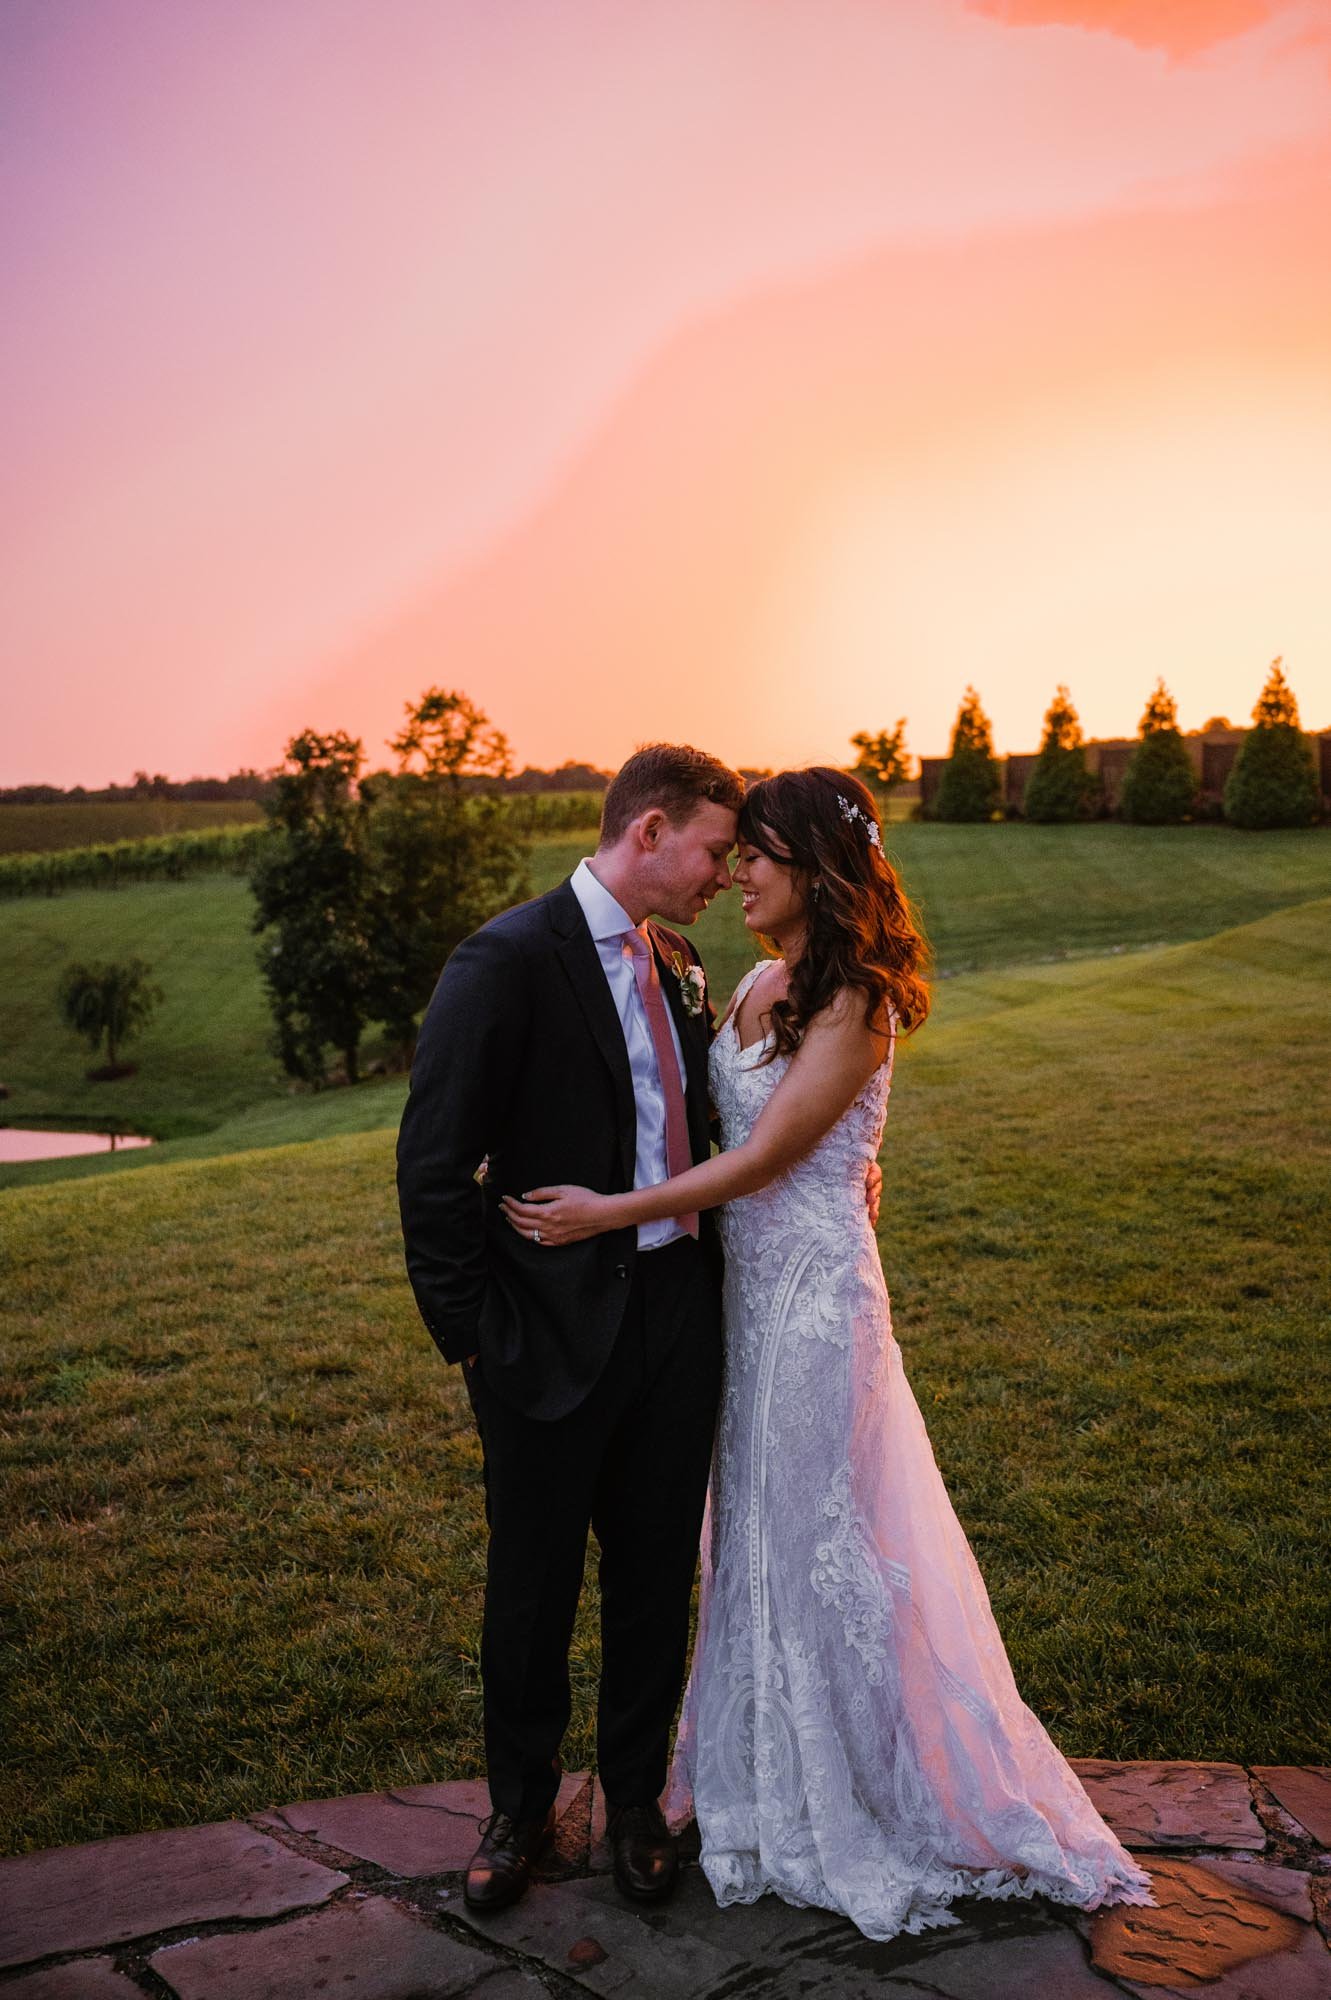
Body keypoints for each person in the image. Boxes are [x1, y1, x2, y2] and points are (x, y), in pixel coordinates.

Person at [501, 766, 1154, 1942]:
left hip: (812, 1305)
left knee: (817, 1540)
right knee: (750, 1534)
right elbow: (725, 1122)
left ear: (813, 866)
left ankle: (844, 1789)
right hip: (741, 1303)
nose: (735, 874)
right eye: (731, 853)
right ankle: (756, 1782)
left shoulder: (857, 997)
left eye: (754, 854)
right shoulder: (754, 980)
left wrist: (609, 1212)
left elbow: (765, 1157)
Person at [396, 744, 880, 1915]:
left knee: (657, 1574)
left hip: (680, 1319)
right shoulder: (506, 959)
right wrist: (471, 1336)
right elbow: (432, 1160)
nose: (724, 872)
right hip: (541, 1334)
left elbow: (730, 1122)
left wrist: (853, 1168)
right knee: (531, 1579)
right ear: (650, 831)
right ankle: (518, 1809)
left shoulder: (681, 963)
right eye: (715, 849)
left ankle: (633, 1804)